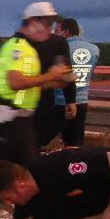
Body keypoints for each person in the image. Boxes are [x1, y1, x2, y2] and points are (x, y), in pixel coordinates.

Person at [0, 2, 72, 192]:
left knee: (27, 169)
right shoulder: (16, 48)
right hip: (2, 121)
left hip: (19, 121)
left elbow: (28, 85)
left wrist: (55, 81)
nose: (50, 30)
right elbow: (16, 82)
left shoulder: (28, 48)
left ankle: (34, 208)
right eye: (47, 24)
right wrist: (50, 76)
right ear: (33, 22)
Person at [30, 13, 77, 150]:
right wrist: (71, 100)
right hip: (45, 102)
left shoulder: (18, 43)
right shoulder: (58, 43)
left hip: (18, 104)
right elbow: (66, 74)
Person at [52, 18, 99, 147]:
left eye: (56, 30)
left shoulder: (59, 48)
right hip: (81, 101)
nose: (54, 33)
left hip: (58, 100)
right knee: (74, 145)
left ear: (65, 32)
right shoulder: (94, 49)